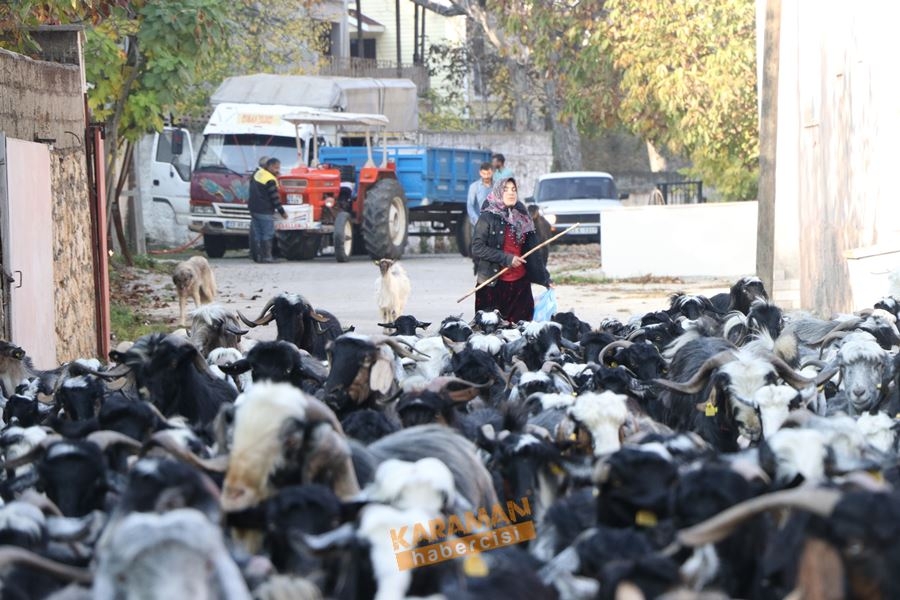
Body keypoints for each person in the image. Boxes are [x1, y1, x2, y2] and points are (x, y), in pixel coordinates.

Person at [471, 177, 552, 323]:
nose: (511, 193)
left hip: (520, 287)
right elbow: (477, 248)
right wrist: (507, 259)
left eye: (514, 190)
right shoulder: (487, 217)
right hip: (492, 285)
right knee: (491, 336)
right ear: (497, 192)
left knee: (521, 333)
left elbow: (533, 251)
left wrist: (545, 278)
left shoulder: (523, 216)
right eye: (506, 189)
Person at [248, 157, 287, 263]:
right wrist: (282, 212)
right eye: (275, 168)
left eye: (278, 168)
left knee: (258, 233)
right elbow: (274, 198)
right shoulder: (270, 179)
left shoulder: (257, 174)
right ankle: (267, 257)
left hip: (253, 208)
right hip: (264, 209)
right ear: (269, 166)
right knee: (268, 233)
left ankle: (258, 256)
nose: (277, 170)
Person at [467, 161, 494, 226]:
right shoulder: (474, 187)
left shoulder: (497, 187)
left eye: (488, 173)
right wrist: (477, 221)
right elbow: (470, 206)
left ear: (492, 172)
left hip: (494, 225)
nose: (486, 176)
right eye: (484, 174)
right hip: (480, 224)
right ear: (480, 173)